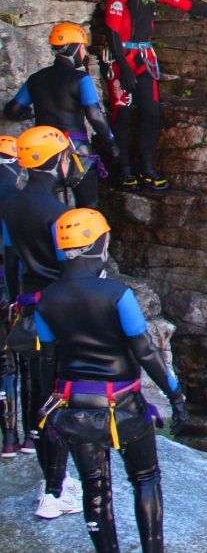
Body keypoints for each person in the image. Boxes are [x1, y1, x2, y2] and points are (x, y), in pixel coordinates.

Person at [36, 207, 188, 553]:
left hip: (74, 406)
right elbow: (146, 352)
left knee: (94, 488)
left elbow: (47, 361)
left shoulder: (46, 300)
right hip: (123, 406)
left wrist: (47, 410)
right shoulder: (118, 294)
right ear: (98, 245)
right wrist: (175, 394)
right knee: (146, 477)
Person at [0, 127, 81, 517]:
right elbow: (71, 271)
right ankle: (55, 491)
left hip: (27, 306)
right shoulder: (59, 215)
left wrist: (17, 302)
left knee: (37, 394)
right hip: (57, 310)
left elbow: (11, 259)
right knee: (60, 395)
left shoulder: (11, 204)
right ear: (58, 160)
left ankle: (54, 482)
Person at [102, 0, 207, 191]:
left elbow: (185, 4)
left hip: (143, 58)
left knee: (151, 112)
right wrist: (124, 67)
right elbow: (111, 29)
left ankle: (147, 170)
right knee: (122, 114)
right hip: (121, 60)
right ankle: (124, 170)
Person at [3, 24, 120, 208]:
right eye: (82, 47)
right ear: (73, 48)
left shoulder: (36, 78)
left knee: (53, 210)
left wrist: (30, 114)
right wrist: (111, 143)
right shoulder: (80, 79)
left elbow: (11, 111)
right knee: (88, 208)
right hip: (75, 153)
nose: (83, 52)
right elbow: (95, 115)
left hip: (44, 155)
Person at [0, 135, 19, 460]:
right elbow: (11, 251)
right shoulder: (14, 196)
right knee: (8, 366)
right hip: (5, 287)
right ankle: (12, 439)